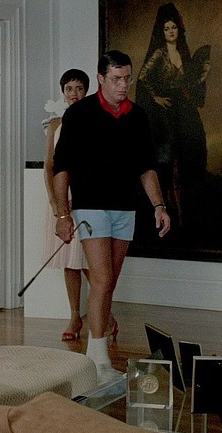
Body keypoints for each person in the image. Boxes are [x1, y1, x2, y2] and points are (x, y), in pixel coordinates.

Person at [53, 50, 171, 383]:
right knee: (102, 279)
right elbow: (61, 168)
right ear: (101, 78)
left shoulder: (138, 116)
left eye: (127, 79)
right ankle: (100, 357)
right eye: (116, 79)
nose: (123, 85)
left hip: (125, 208)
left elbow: (146, 167)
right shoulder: (79, 114)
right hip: (90, 206)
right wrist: (63, 214)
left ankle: (95, 357)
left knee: (108, 283)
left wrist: (159, 206)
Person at [136, 2, 210, 227]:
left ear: (179, 29)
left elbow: (190, 83)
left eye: (174, 27)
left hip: (183, 109)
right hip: (166, 113)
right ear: (162, 31)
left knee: (191, 153)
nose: (171, 31)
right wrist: (156, 98)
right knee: (168, 161)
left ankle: (187, 215)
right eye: (167, 28)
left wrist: (202, 75)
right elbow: (142, 78)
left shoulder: (184, 53)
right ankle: (167, 210)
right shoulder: (159, 53)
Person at [43, 69, 91, 341]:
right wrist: (56, 202)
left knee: (92, 263)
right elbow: (49, 166)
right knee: (70, 262)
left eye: (79, 88)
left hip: (87, 199)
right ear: (63, 92)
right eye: (69, 88)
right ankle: (75, 316)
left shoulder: (95, 121)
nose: (74, 93)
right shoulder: (55, 125)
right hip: (62, 202)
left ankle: (106, 314)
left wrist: (82, 195)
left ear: (87, 91)